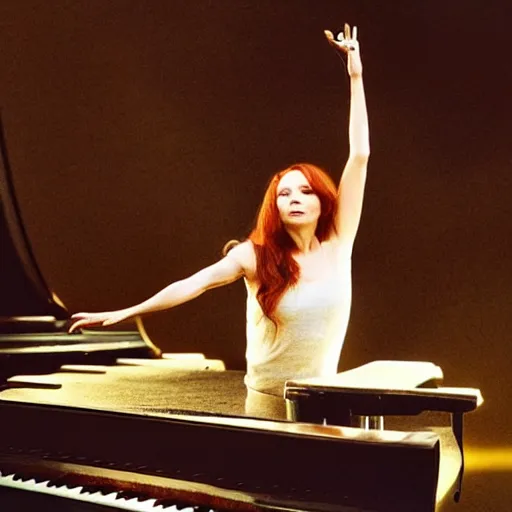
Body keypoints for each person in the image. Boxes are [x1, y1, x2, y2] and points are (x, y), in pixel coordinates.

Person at [69, 24, 369, 420]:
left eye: (305, 191)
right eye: (284, 194)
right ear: (274, 208)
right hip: (268, 409)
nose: (295, 199)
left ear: (322, 201)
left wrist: (355, 76)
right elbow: (196, 282)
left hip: (325, 408)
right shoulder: (254, 256)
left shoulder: (338, 243)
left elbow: (360, 154)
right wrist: (130, 311)